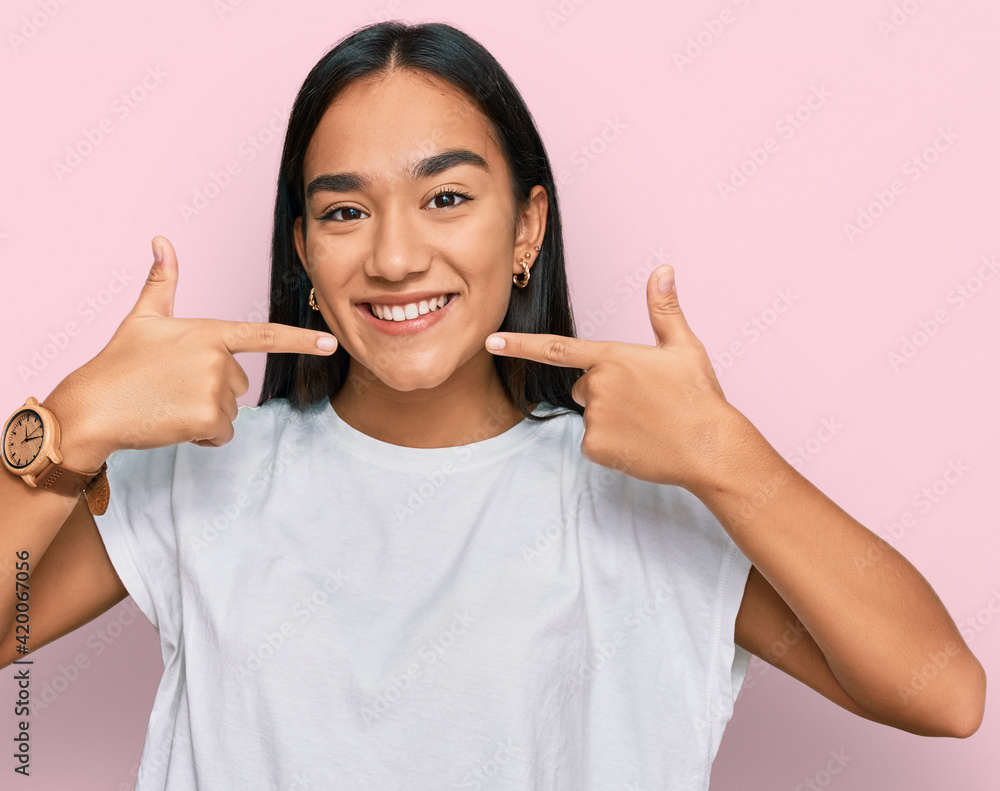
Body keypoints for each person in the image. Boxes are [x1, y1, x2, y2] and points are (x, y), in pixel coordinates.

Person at [0, 19, 986, 791]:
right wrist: (72, 422)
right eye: (344, 211)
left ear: (528, 227)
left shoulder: (646, 495)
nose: (392, 257)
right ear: (303, 252)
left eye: (445, 199)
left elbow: (941, 694)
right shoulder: (206, 477)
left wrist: (727, 455)